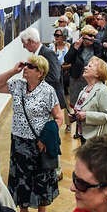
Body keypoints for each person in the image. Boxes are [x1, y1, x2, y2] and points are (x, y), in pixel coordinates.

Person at [0, 54, 64, 212]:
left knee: (41, 178)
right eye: (26, 65)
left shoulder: (48, 91)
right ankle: (23, 211)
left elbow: (59, 117)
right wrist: (13, 71)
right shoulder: (18, 86)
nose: (25, 69)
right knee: (20, 178)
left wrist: (46, 139)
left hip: (39, 144)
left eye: (30, 67)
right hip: (19, 142)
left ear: (40, 72)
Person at [19, 27, 67, 178]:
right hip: (45, 102)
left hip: (51, 102)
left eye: (24, 43)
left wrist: (36, 83)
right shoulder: (39, 54)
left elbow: (54, 76)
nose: (23, 47)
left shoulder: (47, 54)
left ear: (31, 42)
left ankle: (56, 169)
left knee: (51, 135)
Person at [65, 25, 107, 121]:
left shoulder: (97, 45)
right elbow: (67, 60)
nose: (92, 38)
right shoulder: (76, 45)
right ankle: (78, 124)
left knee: (91, 104)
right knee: (77, 104)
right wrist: (75, 48)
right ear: (83, 35)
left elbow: (101, 62)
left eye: (94, 36)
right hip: (77, 79)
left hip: (93, 79)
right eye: (90, 35)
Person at [70, 56, 107, 144]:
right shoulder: (84, 90)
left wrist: (86, 115)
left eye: (90, 66)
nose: (85, 67)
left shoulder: (103, 91)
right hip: (84, 136)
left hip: (98, 139)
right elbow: (82, 110)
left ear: (98, 74)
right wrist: (75, 116)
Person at [49, 28, 72, 132]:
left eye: (58, 35)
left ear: (64, 36)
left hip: (66, 77)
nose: (56, 37)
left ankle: (68, 124)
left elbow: (72, 61)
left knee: (67, 101)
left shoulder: (68, 47)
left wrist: (63, 67)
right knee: (52, 102)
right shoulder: (51, 47)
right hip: (54, 79)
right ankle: (54, 124)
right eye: (55, 35)